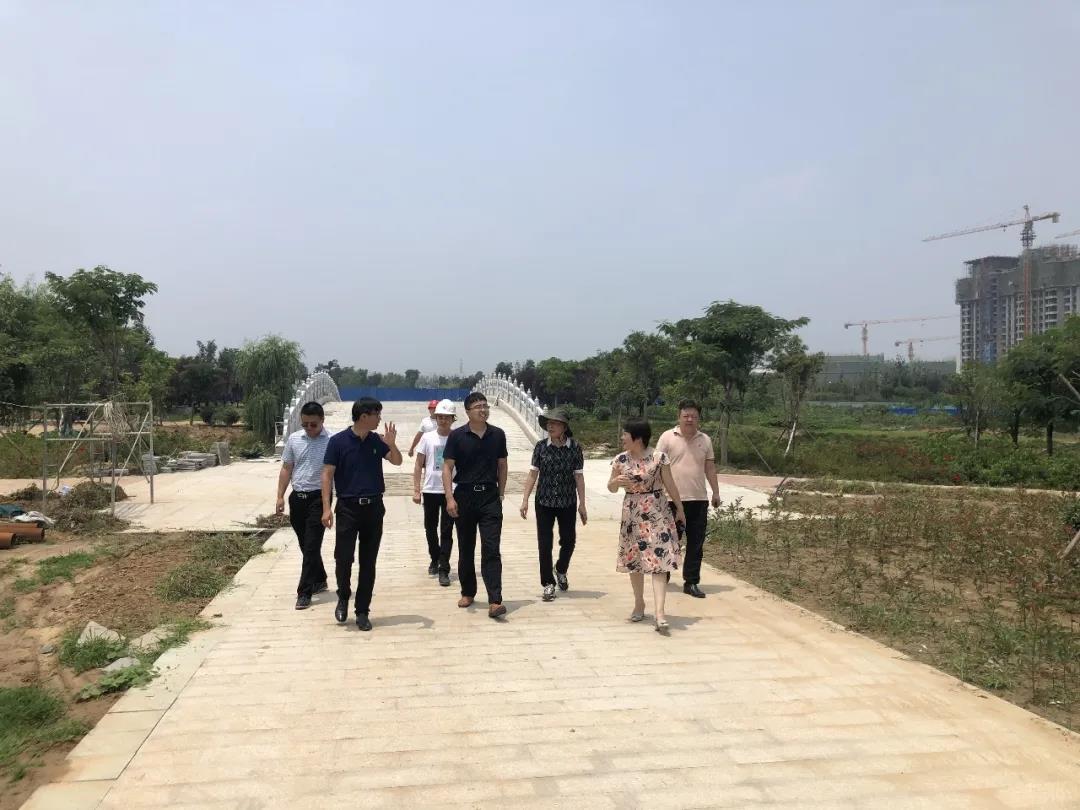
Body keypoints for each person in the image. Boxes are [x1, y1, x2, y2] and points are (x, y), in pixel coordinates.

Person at [321, 397, 403, 631]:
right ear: (364, 416)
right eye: (377, 414)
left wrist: (392, 444)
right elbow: (327, 474)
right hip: (348, 508)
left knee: (368, 561)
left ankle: (363, 610)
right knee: (343, 558)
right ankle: (343, 596)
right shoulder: (338, 442)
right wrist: (326, 507)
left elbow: (397, 461)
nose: (379, 419)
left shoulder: (377, 441)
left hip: (373, 508)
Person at [608, 418, 685, 634]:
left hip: (657, 513)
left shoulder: (659, 458)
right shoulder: (620, 459)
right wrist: (615, 482)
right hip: (632, 514)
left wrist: (680, 509)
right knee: (635, 561)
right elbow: (611, 487)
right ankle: (639, 603)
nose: (622, 438)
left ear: (638, 438)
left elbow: (670, 484)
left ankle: (660, 613)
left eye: (625, 434)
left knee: (659, 561)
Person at [443, 391, 508, 619]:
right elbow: (447, 467)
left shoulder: (497, 434)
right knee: (466, 547)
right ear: (468, 411)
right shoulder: (457, 436)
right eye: (478, 406)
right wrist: (449, 498)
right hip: (465, 496)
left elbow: (502, 465)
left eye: (485, 406)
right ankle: (468, 592)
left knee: (492, 548)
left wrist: (501, 494)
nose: (483, 410)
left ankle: (495, 600)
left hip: (490, 498)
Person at [519, 407, 587, 602]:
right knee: (544, 543)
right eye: (549, 423)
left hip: (567, 501)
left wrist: (582, 504)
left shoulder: (575, 447)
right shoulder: (541, 447)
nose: (550, 426)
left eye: (555, 423)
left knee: (569, 540)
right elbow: (533, 474)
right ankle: (548, 583)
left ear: (564, 427)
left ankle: (560, 569)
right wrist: (525, 500)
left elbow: (579, 477)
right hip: (544, 501)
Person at [656, 400, 720, 599]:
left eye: (693, 416)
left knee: (696, 543)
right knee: (668, 540)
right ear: (679, 417)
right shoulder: (667, 437)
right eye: (686, 416)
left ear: (699, 418)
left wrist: (716, 492)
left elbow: (710, 468)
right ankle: (663, 575)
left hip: (698, 500)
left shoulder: (705, 440)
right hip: (670, 500)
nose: (689, 419)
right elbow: (657, 466)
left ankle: (691, 582)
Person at [276, 401, 330, 610]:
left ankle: (304, 592)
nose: (309, 428)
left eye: (313, 424)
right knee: (305, 544)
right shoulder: (294, 439)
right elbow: (286, 468)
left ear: (322, 420)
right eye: (305, 424)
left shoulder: (332, 440)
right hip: (297, 498)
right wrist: (280, 496)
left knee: (311, 545)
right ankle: (320, 578)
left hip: (319, 498)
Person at [413, 398, 457, 586]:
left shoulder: (458, 438)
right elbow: (418, 464)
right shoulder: (427, 437)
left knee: (447, 530)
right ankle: (435, 557)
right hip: (431, 489)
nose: (443, 420)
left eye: (447, 417)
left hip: (452, 491)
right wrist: (417, 490)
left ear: (453, 419)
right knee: (430, 528)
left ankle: (444, 568)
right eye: (440, 417)